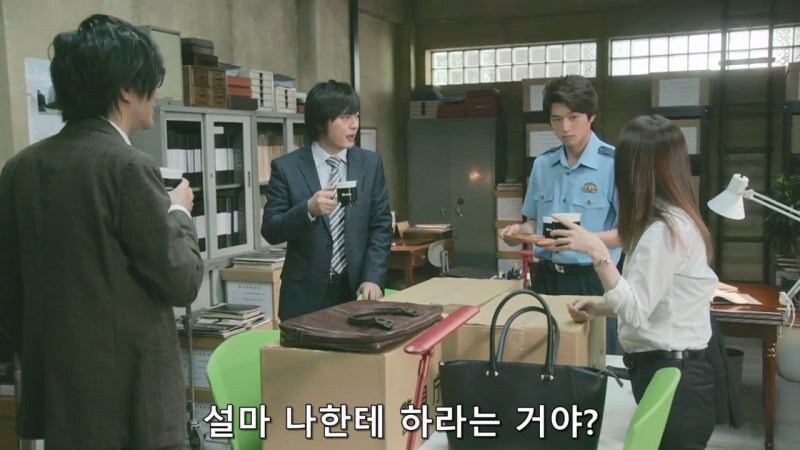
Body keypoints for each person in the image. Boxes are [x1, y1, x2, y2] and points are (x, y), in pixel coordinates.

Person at [0, 14, 204, 450]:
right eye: (152, 83)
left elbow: (10, 295)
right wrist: (178, 211)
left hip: (61, 401)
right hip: (133, 407)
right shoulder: (128, 167)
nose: (156, 96)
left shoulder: (19, 169)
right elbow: (182, 280)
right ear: (127, 89)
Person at [561, 115, 717, 449]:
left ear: (636, 171)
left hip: (674, 377)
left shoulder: (664, 231)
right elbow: (655, 300)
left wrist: (597, 251)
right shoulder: (669, 221)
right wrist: (599, 307)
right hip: (671, 372)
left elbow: (635, 310)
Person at [499, 74, 621, 353]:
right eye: (556, 119)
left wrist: (584, 241)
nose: (565, 127)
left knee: (595, 360)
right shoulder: (543, 165)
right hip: (547, 278)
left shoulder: (614, 163)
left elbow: (629, 233)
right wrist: (518, 233)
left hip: (594, 280)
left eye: (573, 117)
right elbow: (532, 223)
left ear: (591, 116)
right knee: (546, 357)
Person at [262, 80, 392, 320]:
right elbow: (271, 230)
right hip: (304, 296)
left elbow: (381, 226)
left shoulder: (370, 164)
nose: (354, 124)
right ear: (320, 121)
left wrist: (373, 277)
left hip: (355, 289)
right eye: (345, 117)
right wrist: (308, 210)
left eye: (356, 116)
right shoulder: (287, 167)